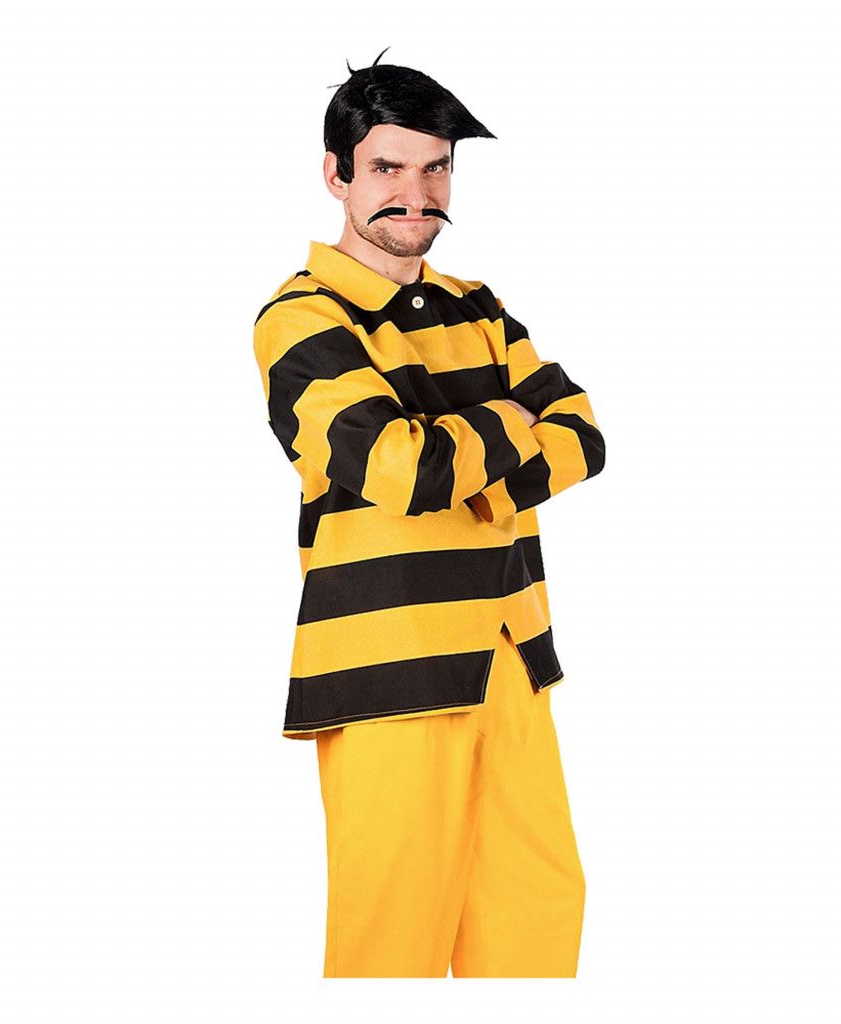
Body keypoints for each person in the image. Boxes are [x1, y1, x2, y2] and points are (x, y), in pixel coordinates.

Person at [251, 48, 606, 977]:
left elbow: (583, 435)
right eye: (387, 168)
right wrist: (510, 421)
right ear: (336, 175)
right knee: (391, 948)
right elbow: (400, 470)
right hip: (389, 668)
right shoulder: (300, 320)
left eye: (435, 167)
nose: (416, 193)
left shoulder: (478, 306)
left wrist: (469, 465)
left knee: (535, 926)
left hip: (512, 656)